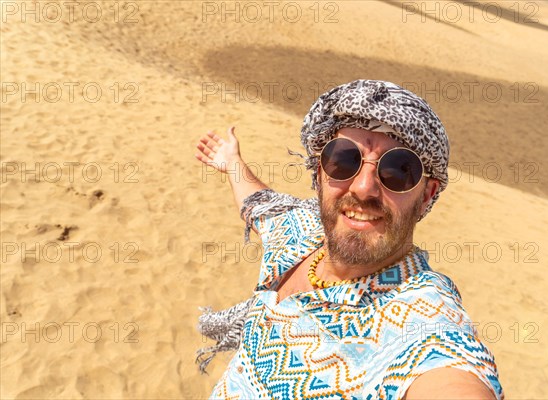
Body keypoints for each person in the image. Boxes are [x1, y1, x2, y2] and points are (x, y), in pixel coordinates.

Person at [194, 80, 504, 399]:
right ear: (319, 172)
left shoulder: (423, 319)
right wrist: (232, 162)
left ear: (427, 195)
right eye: (344, 160)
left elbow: (449, 371)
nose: (363, 187)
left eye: (399, 170)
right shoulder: (299, 232)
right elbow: (260, 203)